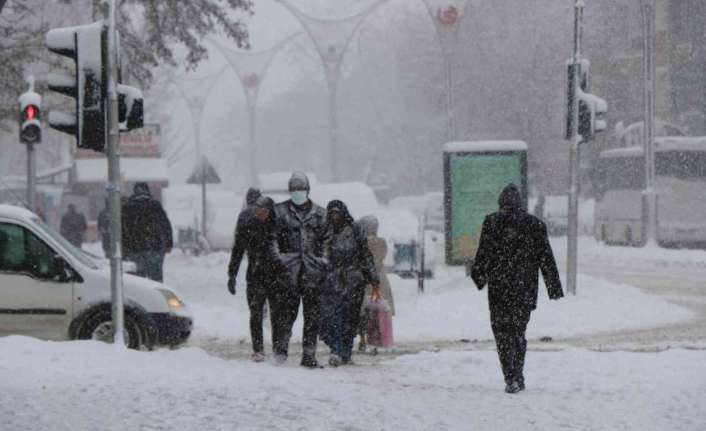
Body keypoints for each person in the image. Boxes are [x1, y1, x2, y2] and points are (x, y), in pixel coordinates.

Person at [471, 183, 563, 394]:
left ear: (501, 202)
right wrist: (553, 288)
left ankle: (510, 376)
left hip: (499, 289)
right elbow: (546, 257)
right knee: (518, 332)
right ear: (520, 203)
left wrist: (479, 276)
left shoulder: (492, 222)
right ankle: (518, 374)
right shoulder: (535, 225)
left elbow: (483, 253)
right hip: (525, 289)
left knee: (501, 333)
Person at [272, 172, 329, 368]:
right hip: (288, 273)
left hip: (313, 274)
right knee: (286, 314)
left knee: (312, 317)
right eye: (294, 189)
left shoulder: (321, 214)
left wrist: (323, 260)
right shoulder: (279, 212)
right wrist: (280, 259)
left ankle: (309, 354)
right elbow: (272, 239)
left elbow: (327, 241)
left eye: (301, 189)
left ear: (307, 190)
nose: (297, 192)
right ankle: (280, 351)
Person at [227, 196, 287, 362]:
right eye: (258, 210)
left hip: (276, 276)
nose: (260, 213)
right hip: (255, 275)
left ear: (270, 211)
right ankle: (258, 349)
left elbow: (289, 253)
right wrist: (232, 274)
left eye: (264, 211)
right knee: (255, 312)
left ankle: (278, 348)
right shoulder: (248, 226)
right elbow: (237, 250)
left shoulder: (279, 227)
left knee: (277, 314)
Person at [319, 201, 380, 366]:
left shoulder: (355, 230)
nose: (334, 217)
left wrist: (373, 278)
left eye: (337, 213)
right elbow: (319, 255)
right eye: (331, 213)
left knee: (350, 320)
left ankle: (344, 352)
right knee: (331, 318)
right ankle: (336, 350)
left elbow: (365, 255)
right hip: (331, 281)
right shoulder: (325, 230)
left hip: (353, 281)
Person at [356, 215, 394, 353]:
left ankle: (363, 339)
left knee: (364, 313)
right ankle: (374, 340)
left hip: (366, 282)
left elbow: (367, 261)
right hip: (378, 281)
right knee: (375, 314)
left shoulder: (360, 243)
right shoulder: (381, 242)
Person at [122, 182, 173, 282]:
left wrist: (124, 248)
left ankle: (140, 296)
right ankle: (155, 296)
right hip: (154, 249)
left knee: (138, 281)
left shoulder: (127, 207)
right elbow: (166, 226)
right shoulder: (155, 206)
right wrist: (168, 243)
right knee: (156, 278)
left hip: (134, 250)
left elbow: (123, 229)